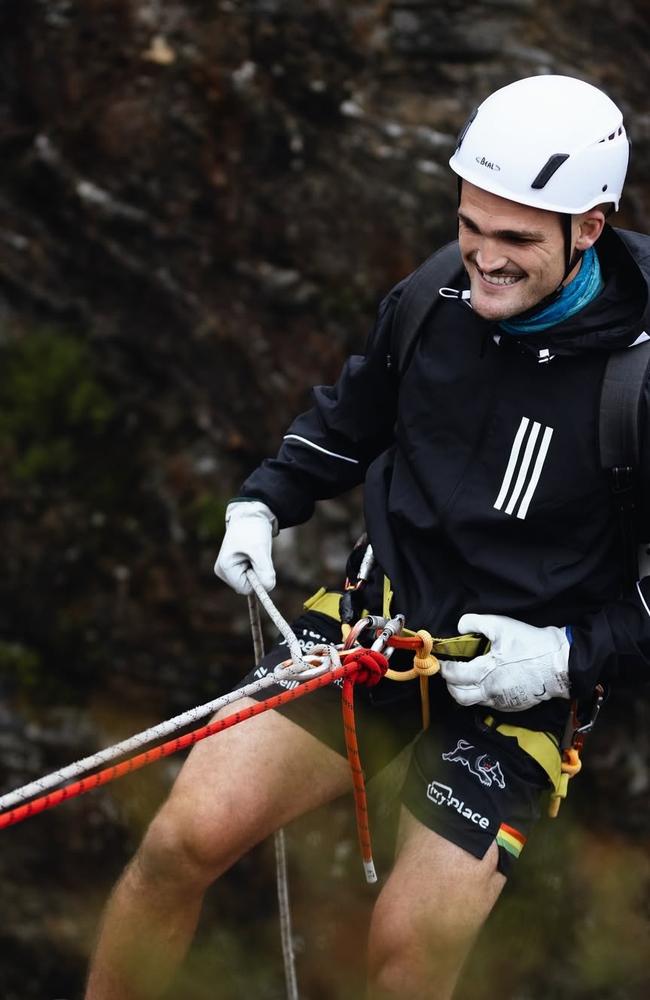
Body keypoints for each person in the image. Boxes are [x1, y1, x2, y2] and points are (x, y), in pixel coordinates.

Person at [85, 74, 648, 1000]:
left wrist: (559, 658)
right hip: (371, 632)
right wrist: (264, 501)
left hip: (516, 690)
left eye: (515, 239)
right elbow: (353, 416)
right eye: (472, 224)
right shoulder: (437, 297)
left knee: (407, 960)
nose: (484, 258)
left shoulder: (639, 381)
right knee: (183, 836)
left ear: (587, 229)